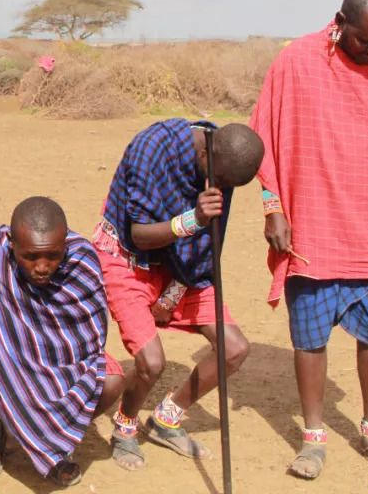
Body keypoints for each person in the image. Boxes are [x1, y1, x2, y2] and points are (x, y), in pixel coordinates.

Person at [249, 0, 368, 480]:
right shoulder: (297, 63)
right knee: (309, 340)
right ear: (340, 20)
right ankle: (314, 438)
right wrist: (273, 207)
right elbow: (265, 137)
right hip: (313, 225)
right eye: (367, 40)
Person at [92, 119, 263, 471]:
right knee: (152, 362)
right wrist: (195, 218)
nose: (222, 189)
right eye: (221, 183)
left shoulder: (220, 167)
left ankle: (166, 420)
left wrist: (172, 293)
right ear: (205, 152)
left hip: (179, 266)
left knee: (234, 349)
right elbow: (139, 234)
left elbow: (206, 245)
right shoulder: (153, 148)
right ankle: (125, 427)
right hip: (128, 258)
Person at [0, 197, 125, 488]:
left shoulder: (81, 263)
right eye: (30, 256)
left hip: (58, 367)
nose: (42, 267)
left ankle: (54, 445)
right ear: (12, 244)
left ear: (65, 243)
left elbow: (90, 340)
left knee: (111, 380)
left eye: (53, 255)